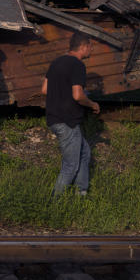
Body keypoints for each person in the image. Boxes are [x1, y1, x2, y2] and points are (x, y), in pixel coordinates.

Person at [41, 32, 100, 197]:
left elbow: (45, 89)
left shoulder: (56, 62)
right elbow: (77, 95)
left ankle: (81, 192)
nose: (92, 50)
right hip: (67, 121)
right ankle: (55, 201)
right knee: (70, 165)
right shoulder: (78, 65)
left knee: (84, 153)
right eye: (90, 46)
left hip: (54, 118)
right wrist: (92, 104)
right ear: (83, 47)